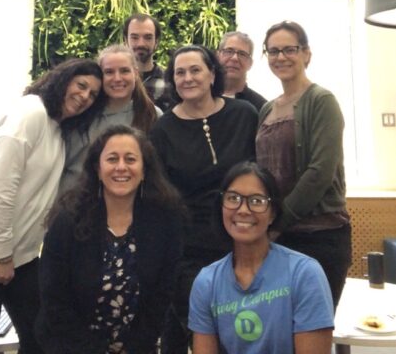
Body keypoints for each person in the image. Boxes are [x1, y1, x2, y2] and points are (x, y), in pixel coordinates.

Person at [0, 58, 104, 354]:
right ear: (63, 80)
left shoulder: (55, 127)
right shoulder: (30, 112)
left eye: (93, 94)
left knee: (41, 334)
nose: (84, 97)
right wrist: (1, 254)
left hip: (21, 251)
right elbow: (0, 188)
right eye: (81, 85)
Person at [36, 124, 183, 354]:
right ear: (97, 168)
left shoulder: (166, 221)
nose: (121, 167)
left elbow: (162, 297)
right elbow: (54, 299)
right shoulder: (66, 221)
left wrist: (132, 348)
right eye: (112, 159)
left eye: (131, 159)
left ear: (144, 170)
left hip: (136, 348)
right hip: (71, 346)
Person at [150, 44, 258, 354]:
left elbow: (260, 178)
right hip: (189, 252)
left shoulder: (244, 115)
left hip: (242, 245)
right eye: (179, 72)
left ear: (212, 74)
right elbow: (160, 198)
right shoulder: (163, 129)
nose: (187, 78)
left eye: (195, 70)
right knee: (205, 335)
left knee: (243, 335)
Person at [189, 161, 334, 354]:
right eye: (233, 198)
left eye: (257, 201)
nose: (243, 209)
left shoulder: (304, 274)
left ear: (273, 213)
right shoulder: (206, 282)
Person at [256, 20, 351, 308]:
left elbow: (319, 172)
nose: (280, 57)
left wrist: (276, 223)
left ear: (306, 54)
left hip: (319, 237)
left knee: (312, 334)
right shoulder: (266, 108)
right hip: (278, 238)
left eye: (289, 49)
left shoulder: (322, 101)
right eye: (273, 51)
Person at [60, 44, 160, 193]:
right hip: (73, 205)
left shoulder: (152, 115)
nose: (117, 78)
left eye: (124, 71)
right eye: (109, 72)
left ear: (136, 74)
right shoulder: (82, 111)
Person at [123, 13, 172, 111]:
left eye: (148, 37)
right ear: (125, 41)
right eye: (134, 37)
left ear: (156, 42)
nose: (141, 43)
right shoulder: (115, 81)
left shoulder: (169, 83)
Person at [217, 31, 267, 111]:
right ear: (218, 56)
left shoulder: (260, 107)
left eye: (242, 54)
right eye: (229, 51)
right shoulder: (203, 98)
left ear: (250, 63)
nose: (234, 58)